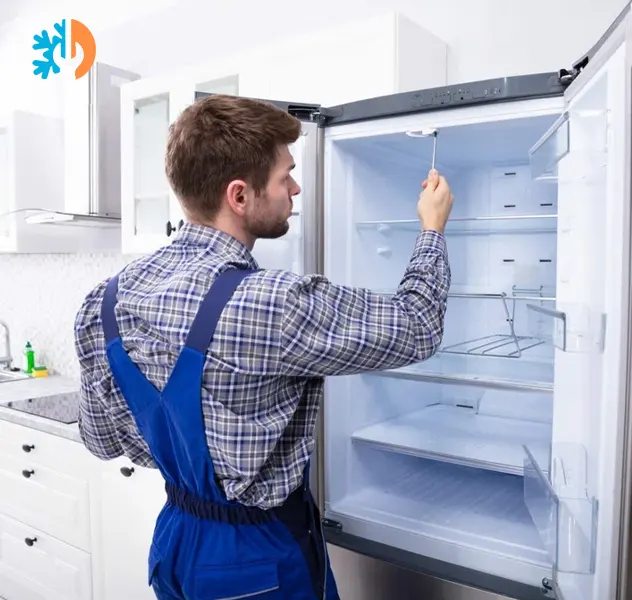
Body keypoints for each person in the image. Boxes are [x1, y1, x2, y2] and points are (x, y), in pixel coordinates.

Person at [73, 94, 454, 600]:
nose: (295, 188)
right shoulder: (271, 304)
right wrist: (432, 227)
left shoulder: (104, 301)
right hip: (258, 560)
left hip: (177, 543)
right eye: (285, 177)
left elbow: (102, 441)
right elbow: (418, 324)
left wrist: (199, 462)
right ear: (239, 195)